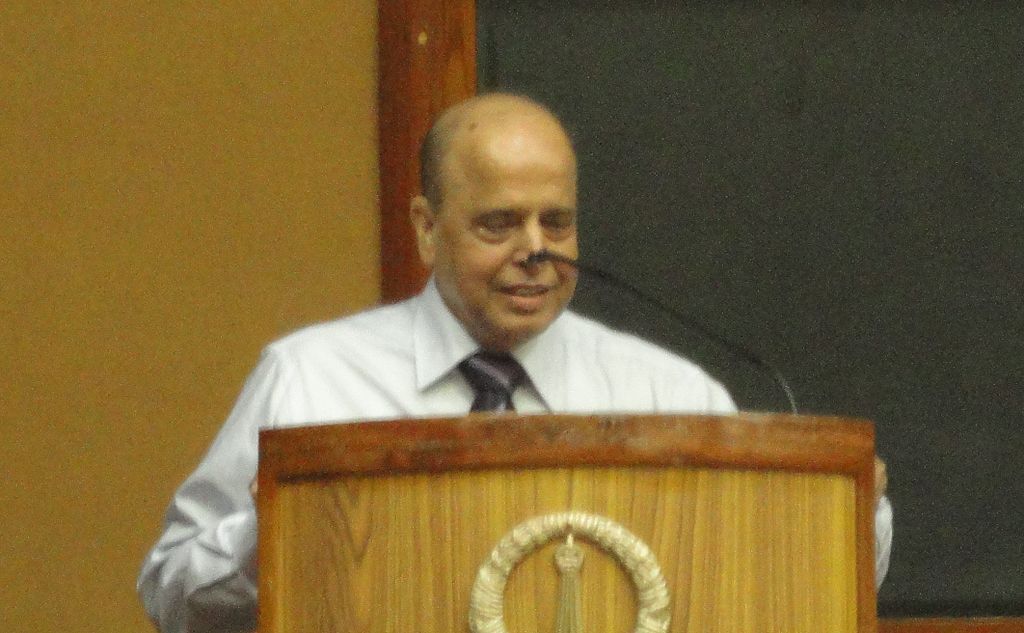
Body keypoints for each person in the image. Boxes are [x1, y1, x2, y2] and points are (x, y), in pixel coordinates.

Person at [137, 93, 893, 633]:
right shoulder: (310, 378)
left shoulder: (672, 392)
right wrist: (276, 538)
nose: (535, 251)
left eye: (556, 222)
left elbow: (796, 582)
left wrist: (860, 512)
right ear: (427, 229)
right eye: (499, 223)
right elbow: (170, 594)